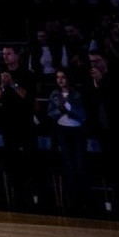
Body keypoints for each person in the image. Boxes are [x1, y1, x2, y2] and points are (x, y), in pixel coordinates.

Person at [0, 45, 37, 206]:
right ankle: (12, 194)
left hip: (24, 122)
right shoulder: (0, 73)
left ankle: (28, 196)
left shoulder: (27, 74)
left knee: (26, 159)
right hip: (7, 122)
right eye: (3, 54)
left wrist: (12, 83)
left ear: (17, 56)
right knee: (10, 158)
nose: (5, 56)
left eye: (9, 54)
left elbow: (27, 97)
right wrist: (3, 85)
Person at [47, 69, 89, 211]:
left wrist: (67, 107)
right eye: (58, 77)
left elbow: (82, 114)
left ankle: (83, 200)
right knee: (68, 165)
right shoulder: (54, 94)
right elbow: (50, 113)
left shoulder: (76, 94)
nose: (60, 80)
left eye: (63, 77)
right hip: (62, 131)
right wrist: (61, 109)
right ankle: (72, 200)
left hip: (76, 131)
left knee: (79, 165)